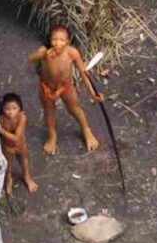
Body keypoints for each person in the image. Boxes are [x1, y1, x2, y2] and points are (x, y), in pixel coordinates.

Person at [27, 26, 103, 155]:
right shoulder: (45, 51)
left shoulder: (72, 53)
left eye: (62, 40)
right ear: (50, 40)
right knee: (49, 112)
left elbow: (84, 73)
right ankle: (52, 136)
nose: (58, 43)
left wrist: (93, 92)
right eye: (54, 40)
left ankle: (86, 130)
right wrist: (40, 54)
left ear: (68, 41)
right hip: (47, 87)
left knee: (74, 109)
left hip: (65, 87)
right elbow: (29, 60)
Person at [0, 93, 38, 195]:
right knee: (8, 165)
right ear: (2, 109)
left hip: (20, 145)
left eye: (14, 108)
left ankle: (27, 178)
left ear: (20, 108)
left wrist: (2, 131)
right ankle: (8, 181)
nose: (11, 112)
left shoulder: (21, 118)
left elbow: (16, 137)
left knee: (23, 161)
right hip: (7, 147)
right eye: (7, 109)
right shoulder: (1, 119)